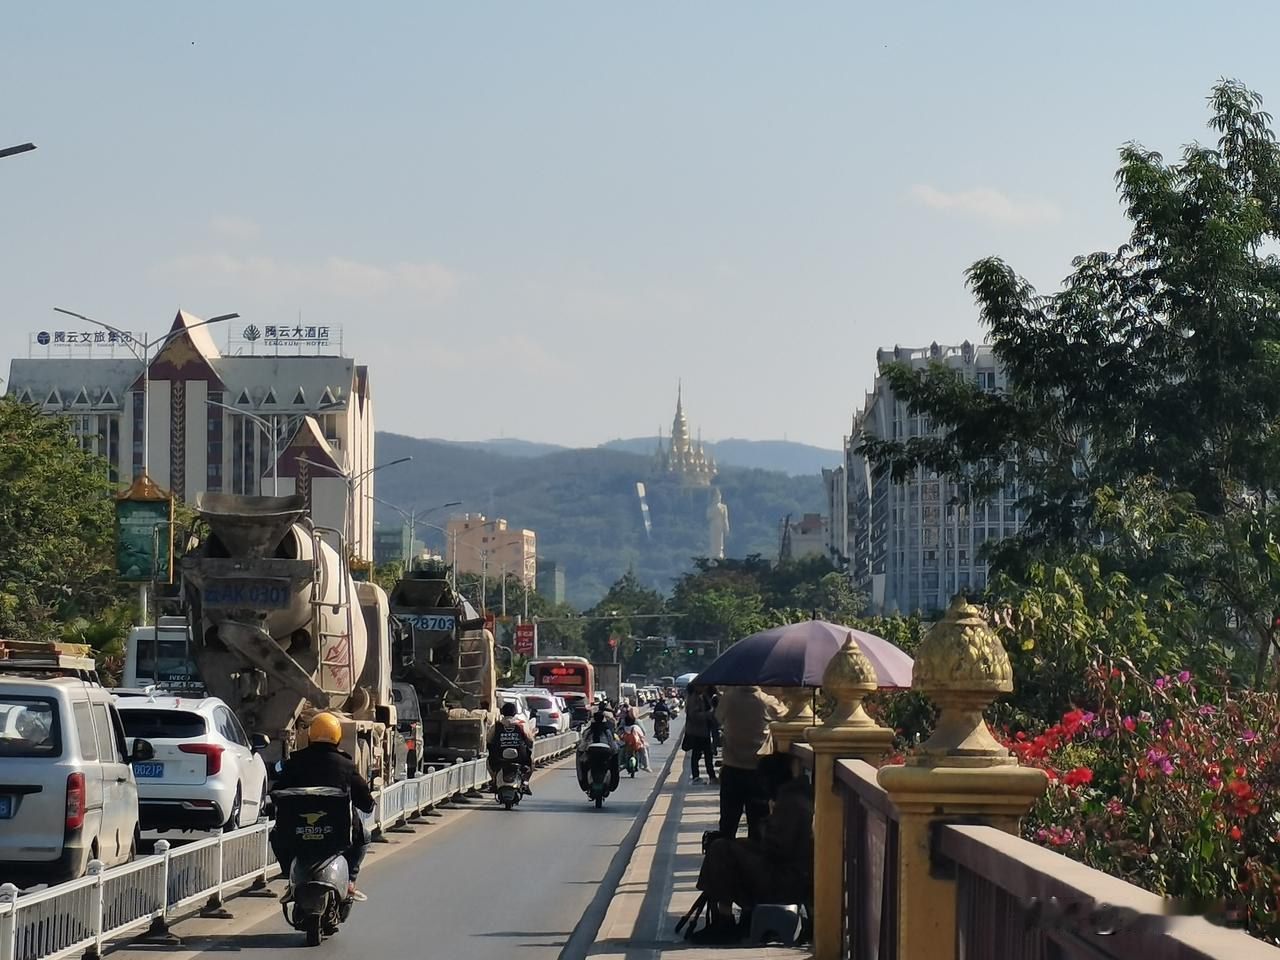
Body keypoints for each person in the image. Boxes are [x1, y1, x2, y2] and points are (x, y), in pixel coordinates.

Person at [690, 777, 814, 945]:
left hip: (787, 881)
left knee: (721, 850)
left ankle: (725, 921)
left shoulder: (791, 804)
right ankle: (732, 918)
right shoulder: (795, 798)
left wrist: (768, 819)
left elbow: (776, 847)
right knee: (728, 848)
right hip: (793, 876)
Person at [271, 712, 375, 903]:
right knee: (364, 837)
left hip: (297, 832)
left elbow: (277, 793)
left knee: (275, 836)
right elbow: (364, 799)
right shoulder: (345, 764)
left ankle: (290, 877)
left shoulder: (295, 762)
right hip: (337, 834)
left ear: (311, 735)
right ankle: (350, 881)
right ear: (337, 737)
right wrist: (368, 804)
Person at [715, 685, 784, 841]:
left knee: (727, 825)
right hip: (758, 771)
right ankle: (754, 863)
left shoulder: (728, 698)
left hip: (732, 770)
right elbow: (786, 718)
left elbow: (718, 717)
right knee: (758, 826)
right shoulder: (767, 701)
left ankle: (725, 861)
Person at [487, 701, 534, 795]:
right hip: (520, 756)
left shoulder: (496, 726)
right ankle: (525, 782)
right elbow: (530, 740)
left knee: (488, 761)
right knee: (531, 763)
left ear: (502, 713)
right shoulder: (521, 724)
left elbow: (488, 740)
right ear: (515, 713)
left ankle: (493, 780)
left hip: (499, 756)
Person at [683, 685, 716, 784]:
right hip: (698, 731)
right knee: (698, 754)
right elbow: (694, 715)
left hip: (704, 730)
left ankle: (711, 776)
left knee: (707, 754)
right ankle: (697, 777)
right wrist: (708, 714)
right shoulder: (694, 698)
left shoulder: (703, 696)